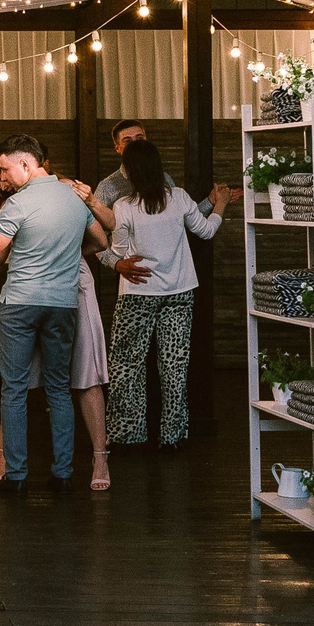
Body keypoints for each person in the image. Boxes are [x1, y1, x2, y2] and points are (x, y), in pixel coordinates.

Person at [0, 133, 116, 493]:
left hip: (20, 304)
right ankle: (63, 475)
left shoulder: (18, 204)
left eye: (4, 169)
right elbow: (101, 241)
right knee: (60, 390)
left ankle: (15, 477)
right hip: (63, 304)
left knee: (15, 391)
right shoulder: (74, 198)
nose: (2, 178)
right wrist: (65, 256)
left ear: (26, 165)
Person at [0, 166, 115, 491]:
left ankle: (100, 457)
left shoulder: (69, 191)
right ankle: (5, 458)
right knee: (15, 381)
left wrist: (67, 254)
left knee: (86, 375)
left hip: (73, 285)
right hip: (27, 289)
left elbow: (103, 236)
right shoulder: (12, 197)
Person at [99, 138, 236, 453]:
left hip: (137, 292)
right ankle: (172, 437)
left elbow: (119, 254)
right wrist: (222, 204)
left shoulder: (123, 207)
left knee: (126, 364)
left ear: (132, 173)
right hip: (179, 291)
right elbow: (206, 231)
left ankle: (127, 437)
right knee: (174, 365)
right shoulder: (179, 199)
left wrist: (114, 258)